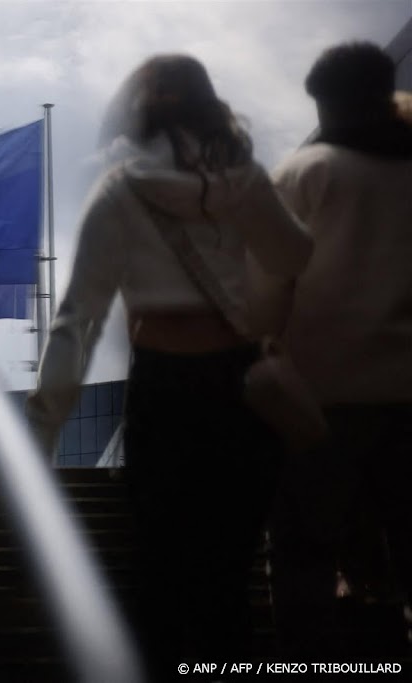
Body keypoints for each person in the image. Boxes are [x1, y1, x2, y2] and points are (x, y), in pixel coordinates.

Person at [25, 54, 312, 680]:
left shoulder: (118, 190)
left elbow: (78, 318)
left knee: (160, 569)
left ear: (136, 112)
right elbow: (293, 252)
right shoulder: (243, 180)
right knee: (228, 575)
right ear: (210, 106)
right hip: (238, 388)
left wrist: (45, 425)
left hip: (164, 387)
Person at [259, 41, 412, 660]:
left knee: (302, 558)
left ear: (326, 104)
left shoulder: (305, 174)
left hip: (323, 405)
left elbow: (264, 295)